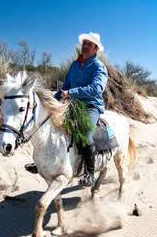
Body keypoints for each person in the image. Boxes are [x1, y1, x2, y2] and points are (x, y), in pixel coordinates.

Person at [26, 32, 108, 187]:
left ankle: (89, 173)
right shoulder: (75, 64)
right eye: (84, 43)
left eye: (89, 44)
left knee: (85, 134)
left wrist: (71, 93)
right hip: (73, 104)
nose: (85, 46)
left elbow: (96, 88)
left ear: (96, 49)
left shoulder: (99, 67)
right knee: (51, 125)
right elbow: (65, 86)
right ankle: (43, 163)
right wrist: (51, 102)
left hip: (91, 106)